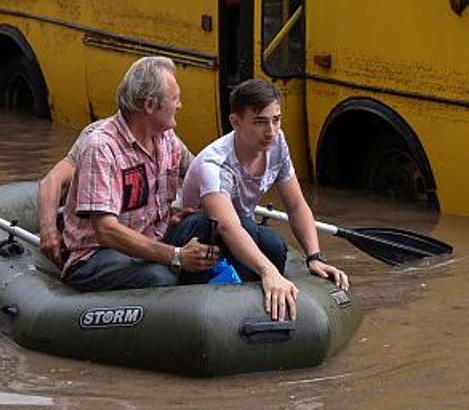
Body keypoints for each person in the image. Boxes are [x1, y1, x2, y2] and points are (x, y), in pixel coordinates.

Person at [168, 78, 349, 321]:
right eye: (260, 122)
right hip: (193, 231)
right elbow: (227, 226)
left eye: (276, 120)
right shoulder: (216, 163)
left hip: (240, 225)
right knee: (248, 228)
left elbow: (295, 205)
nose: (271, 131)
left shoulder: (277, 143)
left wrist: (314, 256)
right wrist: (268, 272)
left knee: (274, 246)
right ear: (236, 122)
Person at [60, 56, 216, 291]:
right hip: (97, 255)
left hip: (153, 238)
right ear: (150, 105)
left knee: (208, 225)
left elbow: (201, 175)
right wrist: (176, 255)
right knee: (159, 277)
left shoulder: (166, 139)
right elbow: (106, 230)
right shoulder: (101, 147)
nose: (180, 105)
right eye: (175, 99)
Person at [34, 119, 195, 268]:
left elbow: (197, 173)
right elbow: (52, 180)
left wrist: (170, 212)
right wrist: (48, 230)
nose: (179, 105)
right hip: (97, 233)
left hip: (143, 229)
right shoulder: (99, 141)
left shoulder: (165, 137)